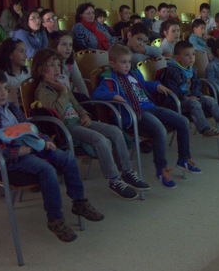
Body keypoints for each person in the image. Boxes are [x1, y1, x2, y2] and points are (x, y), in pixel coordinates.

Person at [0, 66, 104, 242]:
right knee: (46, 170)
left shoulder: (11, 108)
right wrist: (17, 151)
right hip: (10, 158)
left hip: (32, 148)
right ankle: (55, 219)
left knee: (67, 158)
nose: (3, 93)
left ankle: (79, 202)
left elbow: (29, 128)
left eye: (4, 88)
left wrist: (45, 140)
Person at [31, 49, 149, 200]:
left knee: (115, 131)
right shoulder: (42, 91)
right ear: (41, 69)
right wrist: (63, 92)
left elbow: (76, 104)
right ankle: (114, 179)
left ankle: (127, 172)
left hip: (79, 121)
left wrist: (85, 114)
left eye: (58, 65)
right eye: (51, 65)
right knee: (100, 139)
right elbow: (57, 113)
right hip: (66, 128)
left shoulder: (61, 85)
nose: (57, 69)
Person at [92, 44, 201, 189]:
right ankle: (161, 169)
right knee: (160, 130)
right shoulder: (108, 79)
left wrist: (156, 85)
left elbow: (144, 85)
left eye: (129, 62)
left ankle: (183, 159)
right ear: (112, 64)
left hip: (150, 107)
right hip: (135, 114)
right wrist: (113, 95)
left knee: (183, 121)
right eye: (123, 62)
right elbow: (96, 94)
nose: (127, 66)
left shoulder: (134, 73)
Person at [161, 41, 219, 137]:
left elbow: (197, 84)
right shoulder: (172, 71)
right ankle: (205, 129)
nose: (191, 57)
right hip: (175, 101)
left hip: (190, 96)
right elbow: (172, 89)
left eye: (193, 54)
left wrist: (195, 94)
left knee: (210, 100)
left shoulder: (191, 69)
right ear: (177, 58)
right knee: (194, 103)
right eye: (187, 55)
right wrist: (186, 97)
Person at [47, 31, 90, 100]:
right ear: (55, 46)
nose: (68, 48)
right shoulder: (50, 64)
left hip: (67, 95)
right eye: (64, 44)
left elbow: (79, 81)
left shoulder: (70, 61)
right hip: (57, 98)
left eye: (70, 45)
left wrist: (88, 100)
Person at [0, 38, 30, 107]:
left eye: (25, 51)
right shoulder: (4, 77)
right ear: (10, 54)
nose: (26, 55)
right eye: (21, 51)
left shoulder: (28, 71)